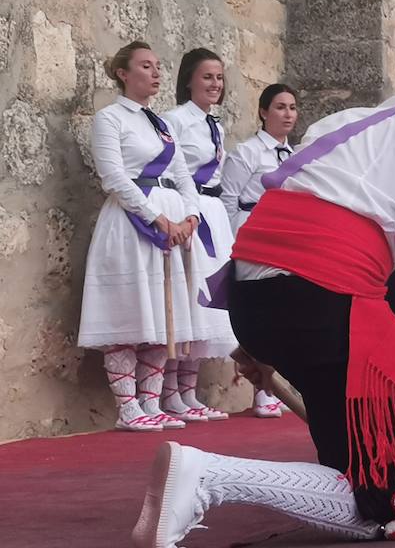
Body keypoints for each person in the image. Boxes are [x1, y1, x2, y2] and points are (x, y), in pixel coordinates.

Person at [131, 18, 395, 548]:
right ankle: (208, 475)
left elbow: (279, 210)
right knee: (372, 509)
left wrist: (257, 338)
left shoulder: (347, 120)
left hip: (262, 298)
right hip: (322, 303)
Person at [78, 42, 202, 431]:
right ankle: (128, 407)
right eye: (146, 66)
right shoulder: (109, 118)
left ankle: (151, 402)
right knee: (129, 310)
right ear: (123, 73)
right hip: (132, 222)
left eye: (158, 66)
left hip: (171, 223)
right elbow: (113, 176)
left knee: (161, 314)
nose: (156, 73)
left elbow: (183, 174)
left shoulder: (161, 124)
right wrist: (156, 217)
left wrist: (191, 216)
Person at [158, 47, 237, 422]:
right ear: (189, 79)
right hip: (190, 211)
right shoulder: (174, 120)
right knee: (188, 295)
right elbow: (168, 169)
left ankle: (188, 393)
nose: (215, 84)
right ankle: (170, 392)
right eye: (207, 76)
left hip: (214, 213)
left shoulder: (215, 125)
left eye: (219, 77)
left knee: (206, 301)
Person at [219, 84, 298, 417]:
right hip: (254, 231)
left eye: (293, 107)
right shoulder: (247, 153)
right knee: (260, 309)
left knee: (285, 309)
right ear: (264, 112)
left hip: (286, 235)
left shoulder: (295, 156)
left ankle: (279, 381)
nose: (288, 114)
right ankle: (261, 388)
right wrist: (232, 240)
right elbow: (228, 198)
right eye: (280, 107)